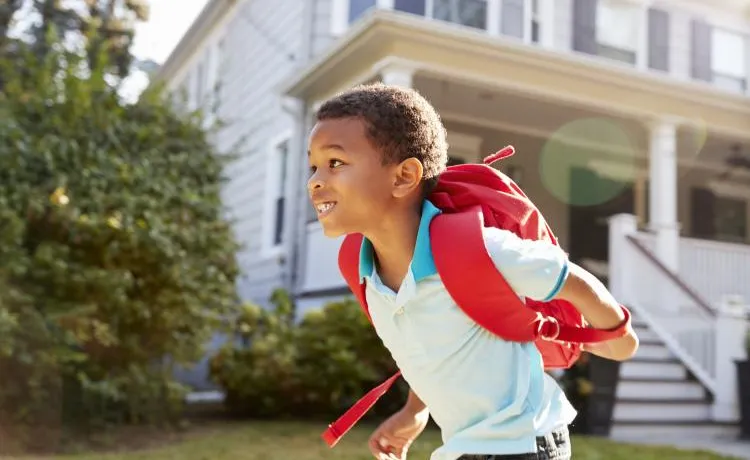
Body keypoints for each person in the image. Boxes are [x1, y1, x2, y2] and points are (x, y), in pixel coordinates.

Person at [306, 83, 638, 460]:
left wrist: (617, 335)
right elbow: (430, 343)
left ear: (403, 177)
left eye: (335, 163)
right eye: (313, 165)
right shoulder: (363, 267)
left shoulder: (478, 249)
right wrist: (414, 410)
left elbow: (567, 275)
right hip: (467, 448)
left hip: (524, 445)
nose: (315, 180)